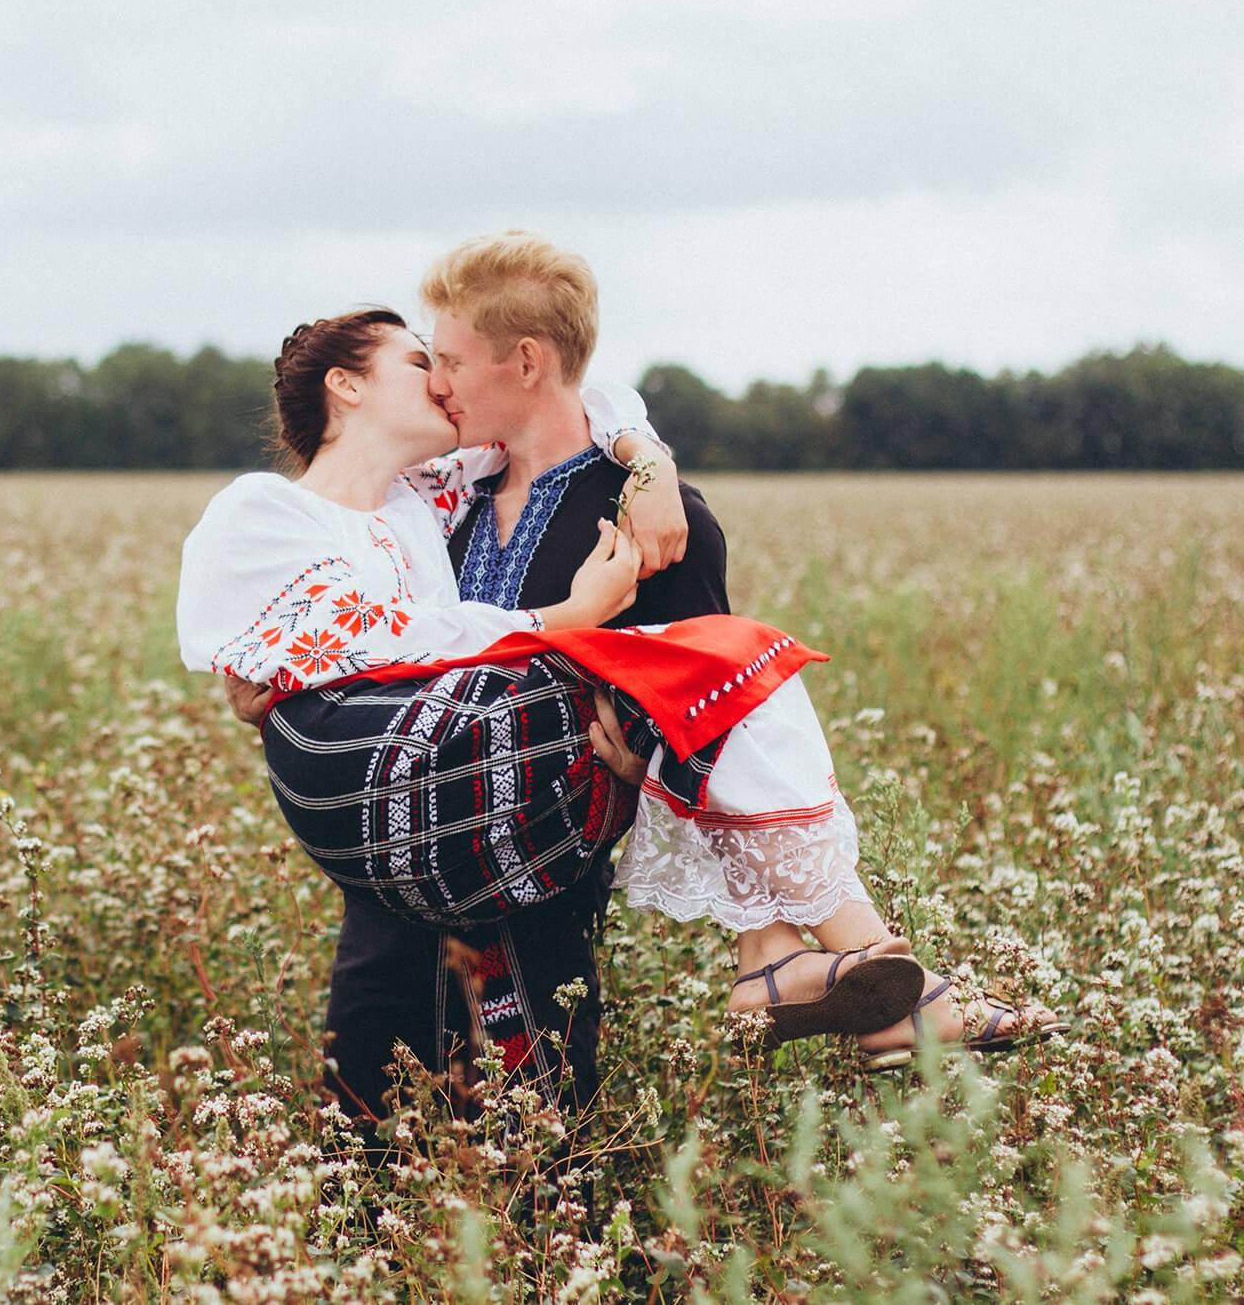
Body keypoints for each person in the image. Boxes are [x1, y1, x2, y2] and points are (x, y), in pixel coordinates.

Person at [181, 292, 1059, 1113]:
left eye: (449, 360)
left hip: (491, 808)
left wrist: (651, 460)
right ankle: (819, 956)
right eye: (420, 362)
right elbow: (389, 634)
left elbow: (578, 400)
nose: (442, 382)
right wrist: (565, 617)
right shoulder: (265, 508)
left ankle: (794, 950)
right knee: (383, 1109)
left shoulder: (429, 497)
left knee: (717, 660)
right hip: (391, 801)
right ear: (347, 385)